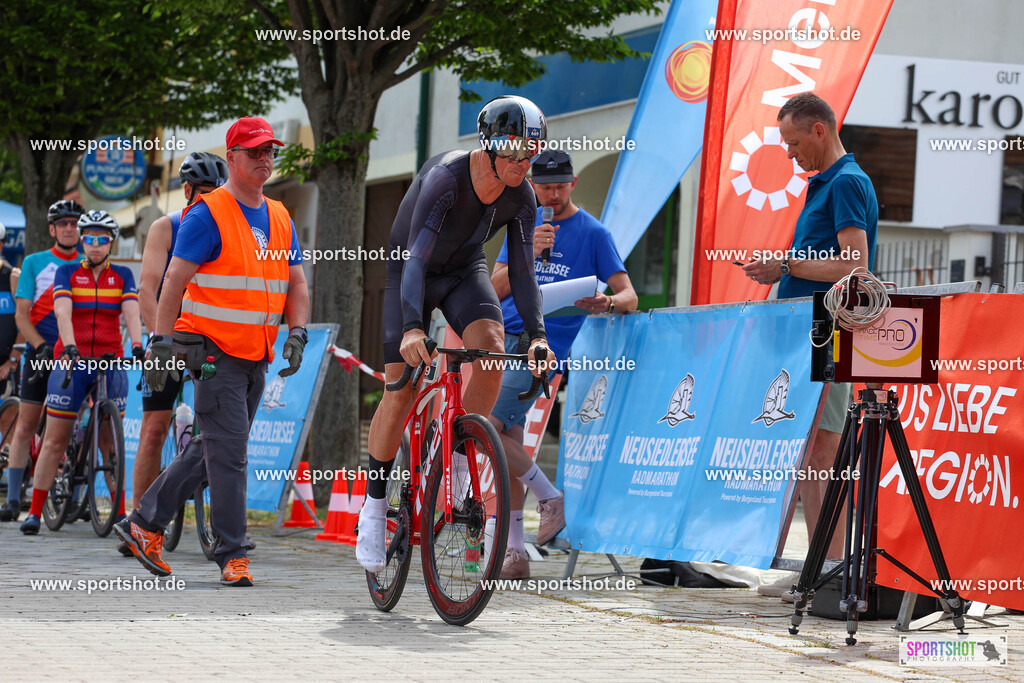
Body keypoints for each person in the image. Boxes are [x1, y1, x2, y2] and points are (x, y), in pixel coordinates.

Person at [356, 95, 553, 573]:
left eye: (532, 153)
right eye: (516, 152)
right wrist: (411, 328)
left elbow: (523, 272)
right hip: (411, 270)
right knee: (400, 391)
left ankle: (460, 465)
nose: (524, 163)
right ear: (489, 146)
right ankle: (375, 509)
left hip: (464, 270)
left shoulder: (522, 195)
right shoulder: (447, 179)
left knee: (491, 346)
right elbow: (415, 259)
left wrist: (537, 336)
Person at [118, 117, 309, 587]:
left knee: (214, 447)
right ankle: (232, 552)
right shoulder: (207, 213)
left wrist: (298, 332)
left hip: (255, 354)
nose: (264, 158)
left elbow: (296, 282)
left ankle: (143, 524)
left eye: (269, 151)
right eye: (254, 151)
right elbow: (172, 283)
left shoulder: (280, 216)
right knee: (230, 454)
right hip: (212, 352)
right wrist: (161, 343)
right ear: (232, 158)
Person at [741, 92, 877, 586]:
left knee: (823, 451)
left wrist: (785, 266)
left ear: (820, 130)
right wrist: (784, 268)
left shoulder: (846, 182)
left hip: (828, 328)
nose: (789, 152)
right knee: (811, 450)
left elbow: (855, 266)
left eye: (794, 142)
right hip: (811, 328)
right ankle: (819, 568)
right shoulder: (826, 182)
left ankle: (827, 571)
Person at [488, 151, 637, 579]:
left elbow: (629, 296)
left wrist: (607, 302)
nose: (552, 195)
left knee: (486, 429)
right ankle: (514, 553)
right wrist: (529, 252)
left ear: (572, 184)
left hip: (542, 347)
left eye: (560, 187)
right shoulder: (523, 225)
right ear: (532, 186)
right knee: (508, 439)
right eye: (544, 188)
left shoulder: (594, 233)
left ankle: (550, 497)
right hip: (503, 338)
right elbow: (494, 289)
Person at [20, 210, 143, 534]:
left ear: (111, 242)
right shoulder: (68, 272)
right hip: (72, 361)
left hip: (110, 361)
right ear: (82, 242)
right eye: (89, 238)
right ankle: (34, 512)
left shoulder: (123, 276)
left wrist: (138, 345)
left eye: (102, 239)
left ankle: (120, 515)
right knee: (56, 439)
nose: (95, 244)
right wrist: (70, 347)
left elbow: (132, 313)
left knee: (110, 444)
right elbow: (63, 312)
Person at [132, 153, 228, 516]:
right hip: (169, 338)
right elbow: (147, 289)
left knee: (221, 434)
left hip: (209, 340)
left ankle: (221, 524)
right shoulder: (166, 227)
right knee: (154, 431)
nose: (211, 199)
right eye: (204, 192)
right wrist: (160, 340)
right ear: (187, 190)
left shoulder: (226, 227)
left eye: (217, 192)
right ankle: (139, 521)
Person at [0, 200, 84, 522]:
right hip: (41, 351)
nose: (69, 228)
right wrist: (40, 346)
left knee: (79, 424)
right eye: (63, 223)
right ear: (52, 229)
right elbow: (21, 316)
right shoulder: (35, 262)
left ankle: (76, 496)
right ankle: (12, 499)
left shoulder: (89, 262)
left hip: (74, 353)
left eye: (74, 223)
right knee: (27, 423)